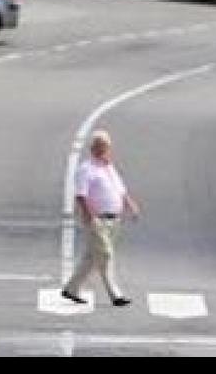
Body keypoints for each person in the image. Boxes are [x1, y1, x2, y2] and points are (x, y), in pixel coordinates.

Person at [61, 130, 140, 308]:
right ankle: (115, 294)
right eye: (99, 147)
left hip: (114, 220)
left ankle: (71, 288)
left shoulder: (109, 168)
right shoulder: (86, 169)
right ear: (92, 148)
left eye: (105, 147)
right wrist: (89, 215)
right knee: (105, 254)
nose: (102, 150)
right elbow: (81, 194)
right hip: (97, 219)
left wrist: (131, 206)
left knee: (92, 257)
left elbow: (121, 191)